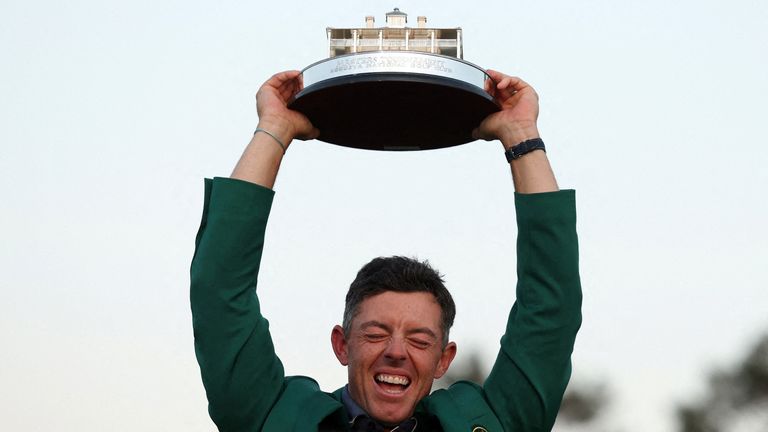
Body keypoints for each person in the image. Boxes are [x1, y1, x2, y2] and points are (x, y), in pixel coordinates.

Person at [190, 69, 582, 431]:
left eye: (420, 340)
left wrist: (521, 135)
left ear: (444, 359)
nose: (396, 352)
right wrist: (274, 129)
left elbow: (551, 311)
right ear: (342, 345)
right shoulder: (271, 416)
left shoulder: (494, 422)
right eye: (376, 334)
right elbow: (219, 293)